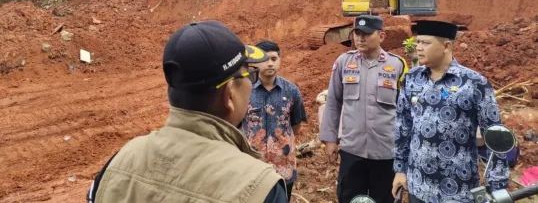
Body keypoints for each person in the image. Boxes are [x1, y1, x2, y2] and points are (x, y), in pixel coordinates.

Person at [87, 20, 288, 203]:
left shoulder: (118, 162)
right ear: (229, 95)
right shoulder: (260, 188)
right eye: (249, 74)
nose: (252, 83)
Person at [392, 20, 509, 203]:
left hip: (459, 191)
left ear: (446, 46)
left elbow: (495, 138)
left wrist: (497, 188)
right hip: (419, 187)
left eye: (425, 43)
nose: (419, 48)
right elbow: (403, 126)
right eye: (418, 42)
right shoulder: (412, 79)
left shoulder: (475, 83)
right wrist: (400, 169)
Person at [319, 15, 408, 203]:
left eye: (366, 34)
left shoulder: (397, 65)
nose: (360, 38)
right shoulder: (344, 62)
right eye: (357, 33)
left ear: (381, 36)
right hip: (353, 150)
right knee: (350, 198)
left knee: (386, 199)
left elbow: (406, 111)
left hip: (386, 152)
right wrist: (330, 139)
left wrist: (405, 149)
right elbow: (334, 102)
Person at [242, 40, 308, 202]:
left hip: (283, 166)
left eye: (274, 59)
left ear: (280, 60)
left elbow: (296, 124)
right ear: (255, 62)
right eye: (265, 59)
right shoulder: (244, 88)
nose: (270, 64)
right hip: (252, 165)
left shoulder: (291, 91)